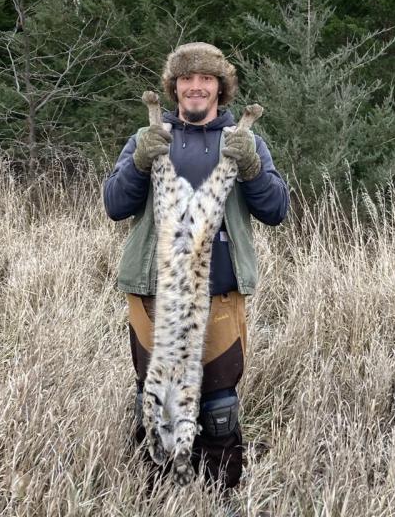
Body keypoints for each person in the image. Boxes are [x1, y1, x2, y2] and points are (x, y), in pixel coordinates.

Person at [103, 42, 289, 489]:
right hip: (153, 291)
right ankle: (155, 493)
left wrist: (251, 167)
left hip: (219, 291)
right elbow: (114, 204)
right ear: (175, 87)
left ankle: (220, 492)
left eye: (206, 78)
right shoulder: (148, 136)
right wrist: (140, 162)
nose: (196, 87)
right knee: (153, 397)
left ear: (221, 87)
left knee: (219, 404)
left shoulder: (245, 141)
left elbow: (276, 209)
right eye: (186, 78)